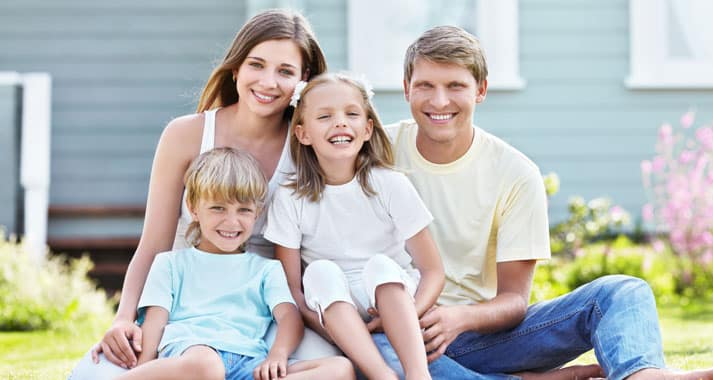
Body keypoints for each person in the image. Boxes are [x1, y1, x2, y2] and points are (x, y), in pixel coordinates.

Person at [373, 26, 713, 380]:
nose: (439, 101)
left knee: (623, 291)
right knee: (371, 352)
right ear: (407, 89)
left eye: (455, 86)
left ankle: (639, 374)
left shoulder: (515, 173)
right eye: (425, 86)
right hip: (395, 335)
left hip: (480, 339)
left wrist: (460, 318)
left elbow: (514, 300)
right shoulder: (372, 153)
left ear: (480, 90)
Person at [68, 9, 341, 379]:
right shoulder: (186, 134)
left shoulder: (308, 143)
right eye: (256, 65)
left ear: (303, 80)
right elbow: (153, 245)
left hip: (263, 304)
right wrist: (123, 318)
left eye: (285, 71)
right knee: (104, 371)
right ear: (236, 69)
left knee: (339, 370)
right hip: (187, 302)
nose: (268, 82)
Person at [263, 72, 445, 380]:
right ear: (302, 133)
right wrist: (331, 330)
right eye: (324, 116)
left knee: (380, 265)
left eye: (351, 114)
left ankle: (418, 374)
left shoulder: (389, 184)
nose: (340, 123)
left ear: (367, 129)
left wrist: (406, 317)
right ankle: (381, 376)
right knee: (319, 272)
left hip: (393, 296)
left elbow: (433, 271)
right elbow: (293, 289)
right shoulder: (290, 198)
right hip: (334, 306)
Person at [114, 147, 352, 380]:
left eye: (244, 210)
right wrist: (143, 369)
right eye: (218, 208)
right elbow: (155, 323)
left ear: (257, 213)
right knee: (208, 366)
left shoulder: (266, 269)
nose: (232, 221)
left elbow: (290, 319)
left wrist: (277, 355)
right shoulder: (170, 264)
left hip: (250, 362)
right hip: (192, 355)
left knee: (340, 369)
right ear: (194, 208)